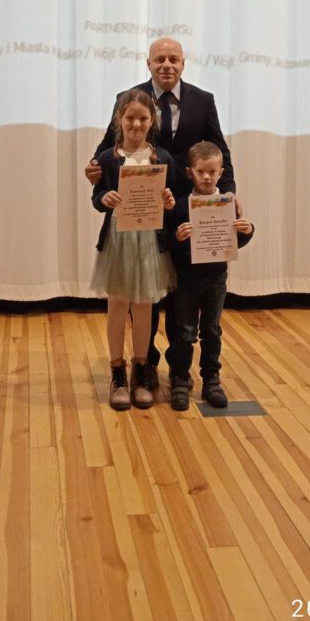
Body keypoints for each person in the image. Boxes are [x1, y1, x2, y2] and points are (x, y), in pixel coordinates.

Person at [85, 37, 236, 386]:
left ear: (183, 63)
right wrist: (95, 170)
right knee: (143, 293)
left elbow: (220, 152)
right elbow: (108, 147)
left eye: (173, 59)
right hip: (137, 214)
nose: (166, 65)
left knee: (178, 291)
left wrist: (228, 194)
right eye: (159, 59)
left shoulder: (203, 100)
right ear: (149, 63)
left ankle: (178, 368)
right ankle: (146, 363)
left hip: (182, 210)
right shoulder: (130, 98)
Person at [90, 89, 176, 410]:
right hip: (119, 240)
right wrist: (104, 198)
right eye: (130, 118)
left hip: (150, 240)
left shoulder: (162, 158)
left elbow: (172, 198)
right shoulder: (107, 158)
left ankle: (141, 370)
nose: (136, 124)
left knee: (144, 307)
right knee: (117, 306)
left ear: (152, 120)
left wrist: (169, 202)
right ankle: (117, 373)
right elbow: (97, 197)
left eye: (143, 118)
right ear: (119, 119)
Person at [166, 141, 254, 411]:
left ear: (221, 172)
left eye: (212, 172)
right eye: (201, 171)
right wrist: (177, 237)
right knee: (184, 332)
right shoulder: (182, 206)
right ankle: (180, 379)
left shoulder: (228, 204)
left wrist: (247, 231)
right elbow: (169, 242)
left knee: (212, 331)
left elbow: (233, 242)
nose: (206, 177)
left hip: (216, 279)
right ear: (189, 172)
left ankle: (211, 380)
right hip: (187, 279)